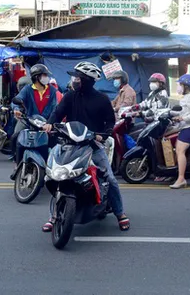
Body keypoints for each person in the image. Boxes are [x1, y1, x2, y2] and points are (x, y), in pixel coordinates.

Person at [41, 61, 130, 231]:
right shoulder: (69, 96)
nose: (74, 80)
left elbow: (110, 122)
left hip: (92, 145)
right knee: (56, 175)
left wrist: (102, 134)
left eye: (78, 78)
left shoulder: (102, 99)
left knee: (109, 178)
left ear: (87, 80)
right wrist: (50, 124)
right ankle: (53, 217)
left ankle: (120, 213)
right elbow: (57, 113)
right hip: (68, 143)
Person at [9, 64, 58, 178]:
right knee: (15, 137)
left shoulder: (52, 90)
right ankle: (16, 164)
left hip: (47, 123)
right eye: (44, 75)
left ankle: (52, 167)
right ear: (37, 77)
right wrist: (16, 109)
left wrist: (52, 122)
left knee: (55, 142)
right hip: (28, 121)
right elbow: (17, 100)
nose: (47, 78)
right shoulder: (27, 89)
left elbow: (57, 107)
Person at [169, 74, 190, 189]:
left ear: (187, 86)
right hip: (187, 126)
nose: (178, 87)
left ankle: (181, 178)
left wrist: (183, 118)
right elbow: (186, 111)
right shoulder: (188, 96)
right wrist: (173, 114)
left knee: (180, 151)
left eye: (180, 84)